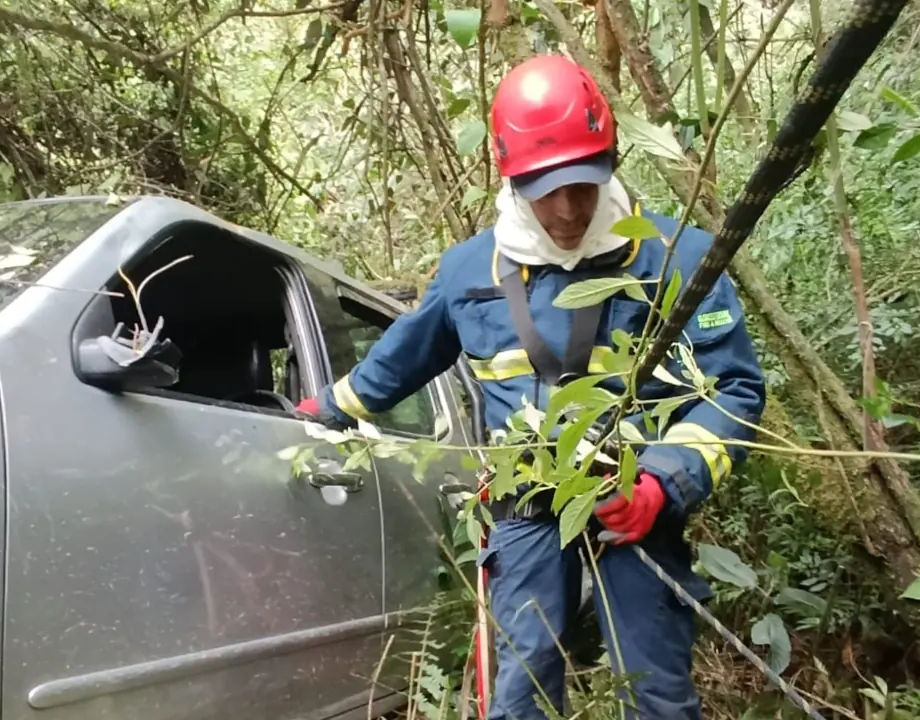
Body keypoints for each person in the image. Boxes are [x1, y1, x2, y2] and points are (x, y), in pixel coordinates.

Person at [297, 53, 766, 720]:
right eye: (548, 189)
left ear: (610, 160)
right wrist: (322, 412)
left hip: (630, 508)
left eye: (585, 183)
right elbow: (396, 364)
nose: (570, 209)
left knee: (658, 695)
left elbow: (733, 393)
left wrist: (663, 482)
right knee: (520, 695)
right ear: (511, 174)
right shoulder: (469, 271)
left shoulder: (677, 258)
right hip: (524, 511)